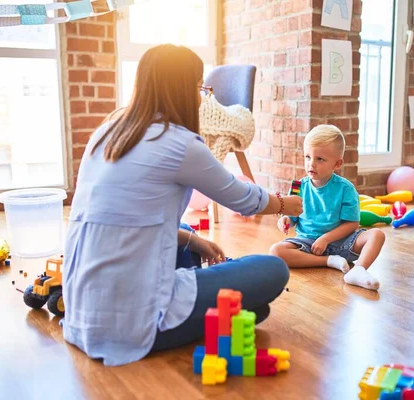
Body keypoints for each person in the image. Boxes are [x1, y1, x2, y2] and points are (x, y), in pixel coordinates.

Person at [62, 44, 303, 367]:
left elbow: (127, 218)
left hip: (81, 311)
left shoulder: (108, 130)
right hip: (132, 326)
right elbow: (241, 198)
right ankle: (202, 312)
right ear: (182, 89)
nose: (201, 97)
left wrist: (193, 240)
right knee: (272, 269)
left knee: (186, 231)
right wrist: (287, 204)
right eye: (199, 88)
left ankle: (211, 307)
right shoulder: (179, 143)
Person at [269, 125, 385, 290]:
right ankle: (329, 261)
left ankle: (358, 270)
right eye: (308, 157)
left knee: (377, 235)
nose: (311, 164)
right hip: (307, 243)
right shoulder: (297, 186)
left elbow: (352, 224)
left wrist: (326, 239)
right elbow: (292, 216)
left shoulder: (346, 188)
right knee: (276, 251)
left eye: (320, 159)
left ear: (337, 163)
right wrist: (286, 220)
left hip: (342, 243)